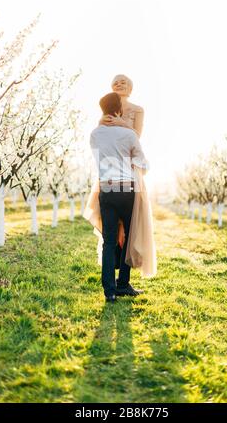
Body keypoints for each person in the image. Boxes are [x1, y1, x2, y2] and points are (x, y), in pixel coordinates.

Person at [90, 92, 148, 303]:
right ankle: (123, 284)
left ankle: (110, 291)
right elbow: (143, 163)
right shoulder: (129, 135)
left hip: (106, 190)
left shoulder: (95, 134)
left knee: (109, 241)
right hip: (126, 189)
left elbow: (99, 152)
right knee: (128, 238)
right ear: (120, 110)